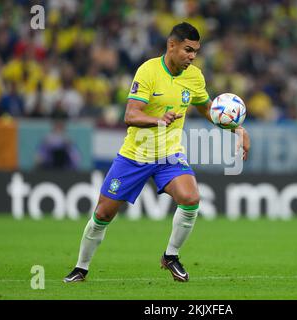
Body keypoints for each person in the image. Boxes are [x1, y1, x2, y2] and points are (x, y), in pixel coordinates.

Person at [64, 22, 250, 283]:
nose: (192, 56)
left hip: (169, 156)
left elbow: (208, 108)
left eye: (196, 51)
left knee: (191, 198)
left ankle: (170, 256)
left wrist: (237, 129)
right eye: (188, 50)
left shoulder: (194, 76)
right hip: (135, 156)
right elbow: (130, 114)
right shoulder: (148, 71)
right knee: (103, 214)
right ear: (171, 45)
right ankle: (81, 268)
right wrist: (158, 119)